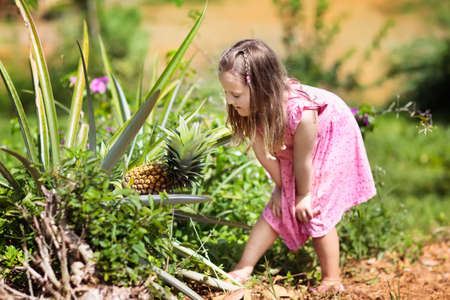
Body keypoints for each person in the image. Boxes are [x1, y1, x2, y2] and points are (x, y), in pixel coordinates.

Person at [218, 39, 376, 292]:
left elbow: (303, 160)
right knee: (278, 205)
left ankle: (332, 279)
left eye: (235, 94)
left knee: (315, 206)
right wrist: (282, 189)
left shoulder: (300, 113)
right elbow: (265, 156)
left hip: (333, 133)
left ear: (260, 88)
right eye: (226, 92)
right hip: (301, 144)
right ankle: (243, 267)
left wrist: (303, 195)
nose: (229, 100)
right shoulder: (254, 111)